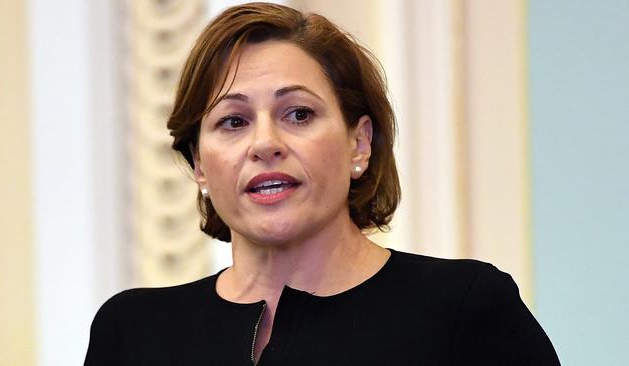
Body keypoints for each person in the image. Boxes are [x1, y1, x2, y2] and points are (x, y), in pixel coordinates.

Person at [84, 3, 560, 365]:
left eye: (299, 114)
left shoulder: (464, 309)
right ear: (199, 163)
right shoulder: (132, 333)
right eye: (233, 121)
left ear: (359, 142)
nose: (265, 143)